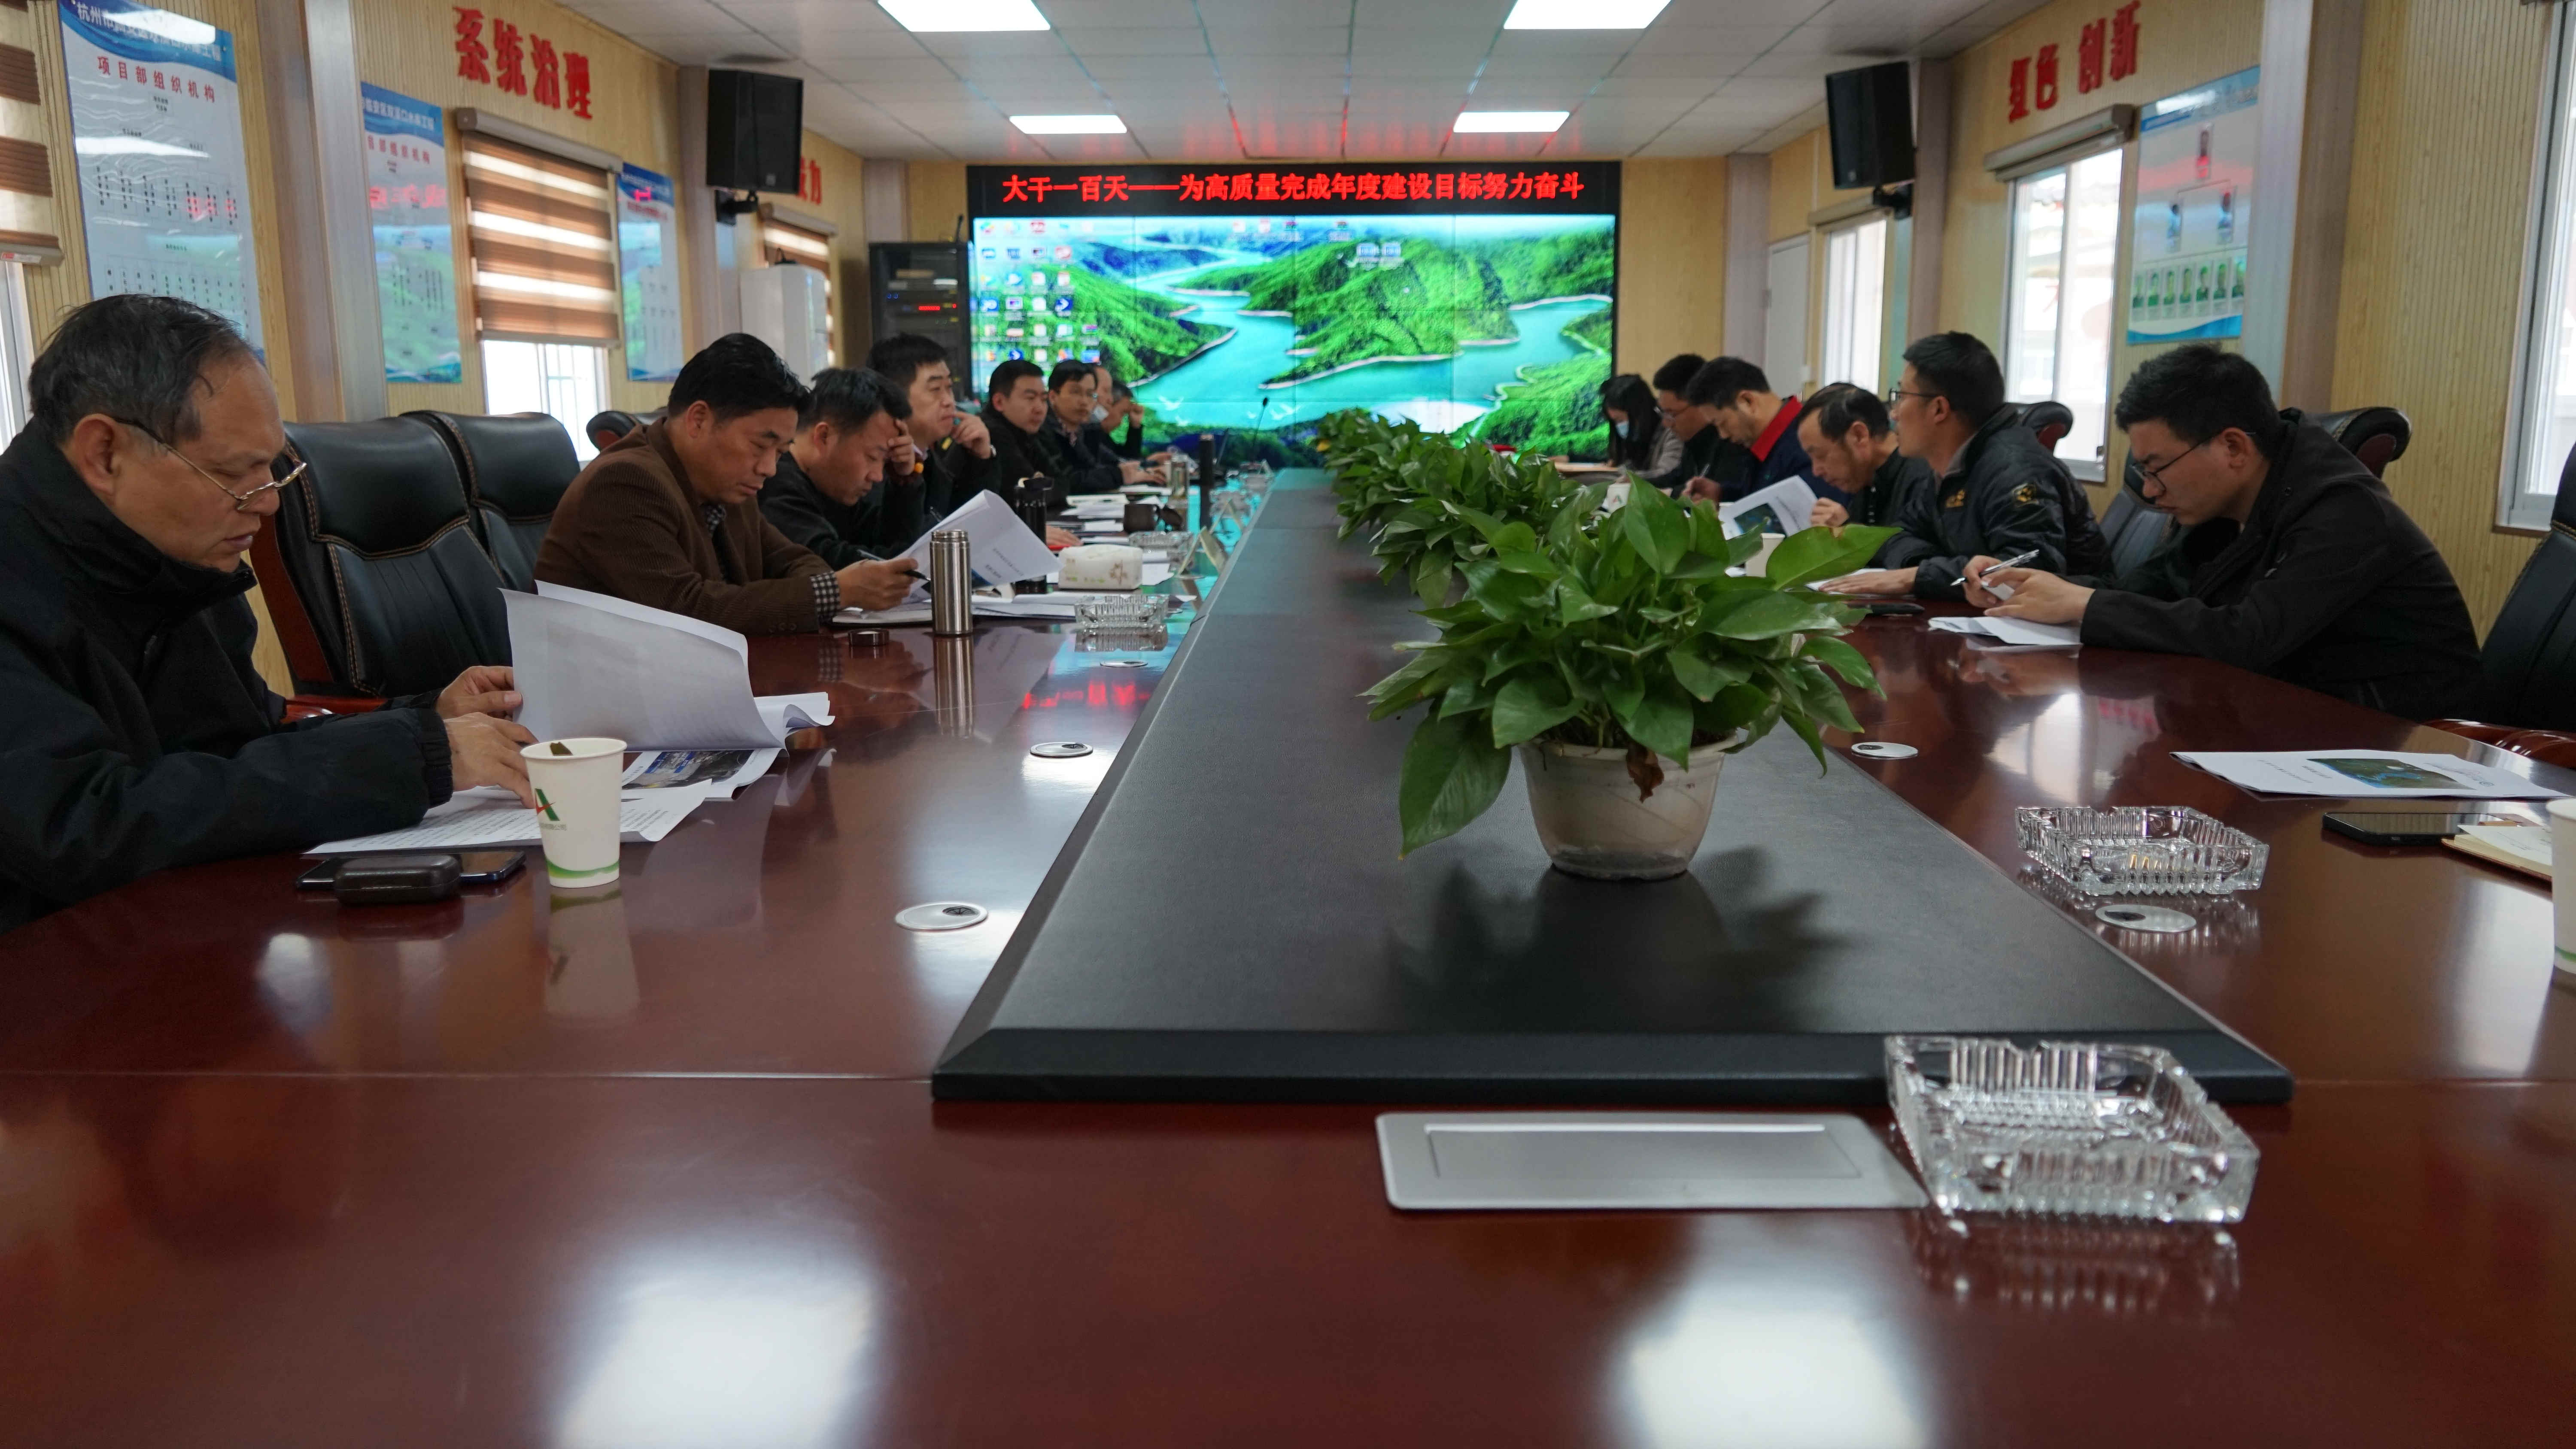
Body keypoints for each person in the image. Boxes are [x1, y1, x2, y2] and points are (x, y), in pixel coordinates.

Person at [0, 294, 536, 933]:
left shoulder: (170, 556)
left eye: (274, 470)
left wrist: (427, 719)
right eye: (235, 475)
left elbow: (244, 745)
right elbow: (85, 827)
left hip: (191, 930)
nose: (269, 505)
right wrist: (415, 756)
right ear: (104, 453)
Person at [1968, 345, 2482, 722]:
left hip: (2399, 743)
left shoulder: (2344, 511)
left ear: (2233, 447)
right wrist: (2034, 590)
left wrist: (2084, 604)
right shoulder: (2228, 502)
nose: (2150, 491)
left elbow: (2247, 638)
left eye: (2157, 468)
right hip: (2288, 718)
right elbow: (2147, 592)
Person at [536, 333, 879, 634]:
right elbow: (687, 610)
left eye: (780, 452)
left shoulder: (727, 485)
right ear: (698, 420)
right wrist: (833, 592)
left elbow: (794, 560)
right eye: (760, 445)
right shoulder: (624, 483)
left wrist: (829, 587)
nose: (769, 469)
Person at [1823, 332, 2112, 601]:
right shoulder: (1949, 466)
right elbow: (1898, 534)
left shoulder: (2015, 469)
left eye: (1902, 396)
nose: (1894, 414)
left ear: (1939, 409)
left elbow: (2028, 571)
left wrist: (1918, 576)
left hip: (2075, 631)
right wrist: (1925, 569)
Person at [755, 367, 923, 606]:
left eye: (886, 462)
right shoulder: (774, 485)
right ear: (824, 437)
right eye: (873, 457)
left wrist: (904, 481)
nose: (878, 476)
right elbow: (834, 563)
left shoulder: (834, 487)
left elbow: (891, 544)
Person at [865, 331, 999, 533]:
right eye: (936, 389)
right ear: (894, 397)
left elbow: (963, 524)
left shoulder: (927, 455)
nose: (949, 401)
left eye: (949, 388)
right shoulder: (876, 466)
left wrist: (981, 457)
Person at [983, 358, 1157, 501]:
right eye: (1030, 398)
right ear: (999, 402)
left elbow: (1061, 483)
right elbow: (1033, 493)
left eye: (1042, 399)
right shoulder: (994, 433)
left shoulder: (1032, 432)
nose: (1039, 408)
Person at [1798, 383, 1933, 563]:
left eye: (1821, 456)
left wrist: (1849, 536)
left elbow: (1920, 559)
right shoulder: (1866, 478)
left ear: (1859, 435)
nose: (1816, 471)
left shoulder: (1923, 477)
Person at [1679, 356, 1836, 507]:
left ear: (1748, 402)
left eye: (1722, 423)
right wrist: (1722, 494)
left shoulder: (1808, 442)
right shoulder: (1765, 442)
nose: (1723, 435)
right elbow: (1764, 497)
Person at [1642, 352, 1746, 494]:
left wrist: (1670, 493)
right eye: (1662, 413)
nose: (1666, 423)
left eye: (1671, 414)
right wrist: (1637, 484)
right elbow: (1678, 477)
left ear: (1700, 404)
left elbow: (1723, 493)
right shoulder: (1694, 440)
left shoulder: (1731, 440)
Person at [1600, 373, 1680, 476]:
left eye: (1620, 420)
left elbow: (1667, 475)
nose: (1619, 427)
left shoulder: (1672, 431)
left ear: (1639, 413)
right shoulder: (1636, 441)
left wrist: (1628, 477)